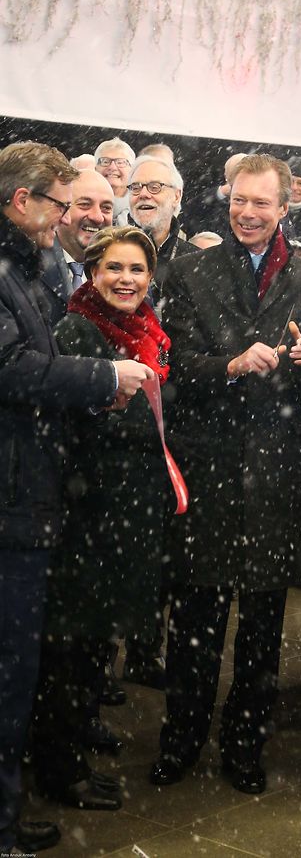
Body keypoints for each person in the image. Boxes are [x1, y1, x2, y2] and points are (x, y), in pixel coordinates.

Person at [152, 153, 301, 795]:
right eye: (239, 201)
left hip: (278, 475)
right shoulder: (188, 270)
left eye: (262, 203)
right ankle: (180, 739)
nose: (248, 213)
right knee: (197, 621)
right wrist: (229, 365)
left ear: (286, 207)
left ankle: (245, 746)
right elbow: (168, 369)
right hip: (207, 469)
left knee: (261, 624)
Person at [0, 141, 151, 855]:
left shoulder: (25, 268)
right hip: (15, 498)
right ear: (22, 201)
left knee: (21, 670)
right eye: (62, 204)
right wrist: (102, 378)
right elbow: (14, 368)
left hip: (30, 491)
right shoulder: (13, 273)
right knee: (14, 670)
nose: (70, 218)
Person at [31, 225, 171, 810]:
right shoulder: (77, 331)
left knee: (94, 643)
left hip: (126, 512)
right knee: (70, 647)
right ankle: (60, 769)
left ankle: (80, 733)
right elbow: (68, 425)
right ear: (92, 274)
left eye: (136, 270)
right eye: (114, 268)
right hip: (88, 515)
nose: (126, 279)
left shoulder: (147, 332)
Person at [40, 168, 115, 325]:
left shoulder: (126, 269)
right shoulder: (30, 264)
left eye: (106, 208)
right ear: (61, 208)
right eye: (85, 205)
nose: (97, 217)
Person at [127, 155, 200, 300]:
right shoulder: (109, 251)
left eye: (155, 187)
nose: (143, 194)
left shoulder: (197, 261)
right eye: (135, 187)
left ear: (176, 196)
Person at [94, 136, 135, 223]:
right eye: (105, 161)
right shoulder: (80, 202)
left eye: (120, 162)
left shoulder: (140, 206)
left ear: (132, 170)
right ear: (95, 168)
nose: (112, 167)